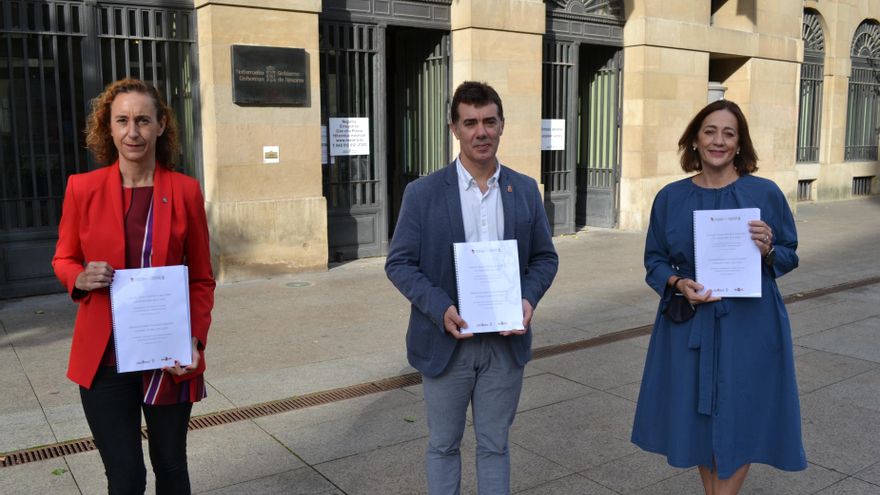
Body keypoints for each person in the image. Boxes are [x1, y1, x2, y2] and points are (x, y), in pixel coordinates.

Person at [385, 81, 558, 494]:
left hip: (504, 344)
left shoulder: (525, 190)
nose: (481, 131)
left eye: (489, 122)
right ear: (454, 129)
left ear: (501, 126)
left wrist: (528, 298)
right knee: (444, 445)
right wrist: (438, 306)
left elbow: (544, 258)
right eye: (470, 123)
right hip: (447, 342)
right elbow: (400, 263)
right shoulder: (423, 193)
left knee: (495, 445)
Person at [630, 99, 807, 494]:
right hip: (690, 321)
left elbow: (790, 254)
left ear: (740, 142)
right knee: (700, 420)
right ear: (694, 139)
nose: (718, 141)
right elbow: (654, 261)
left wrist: (769, 249)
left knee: (743, 413)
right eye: (710, 131)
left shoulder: (765, 193)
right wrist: (678, 284)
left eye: (729, 133)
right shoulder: (670, 198)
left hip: (751, 322)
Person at [52, 78, 215, 494]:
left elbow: (200, 277)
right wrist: (79, 277)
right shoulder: (82, 189)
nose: (133, 132)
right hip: (104, 360)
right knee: (125, 476)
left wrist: (194, 339)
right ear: (108, 128)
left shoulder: (185, 191)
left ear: (161, 125)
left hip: (167, 355)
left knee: (171, 466)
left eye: (143, 120)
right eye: (122, 120)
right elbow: (63, 258)